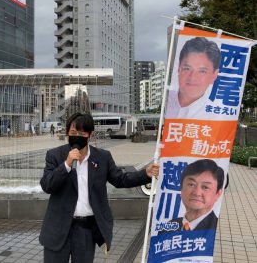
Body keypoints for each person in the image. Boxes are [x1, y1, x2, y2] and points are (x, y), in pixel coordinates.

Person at [39, 112, 159, 263]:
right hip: (58, 227)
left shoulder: (102, 157)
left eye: (81, 133)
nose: (76, 136)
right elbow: (47, 185)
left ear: (90, 135)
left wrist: (145, 174)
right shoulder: (55, 155)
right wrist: (66, 164)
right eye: (73, 133)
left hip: (86, 230)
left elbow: (120, 179)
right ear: (67, 133)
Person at [160, 159, 224, 233]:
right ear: (181, 188)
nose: (197, 193)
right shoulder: (169, 226)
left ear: (218, 194)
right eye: (191, 184)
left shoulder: (217, 230)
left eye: (205, 187)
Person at [165, 37, 221, 119]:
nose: (192, 77)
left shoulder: (216, 116)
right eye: (187, 69)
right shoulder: (164, 101)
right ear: (179, 69)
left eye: (202, 71)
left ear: (214, 76)